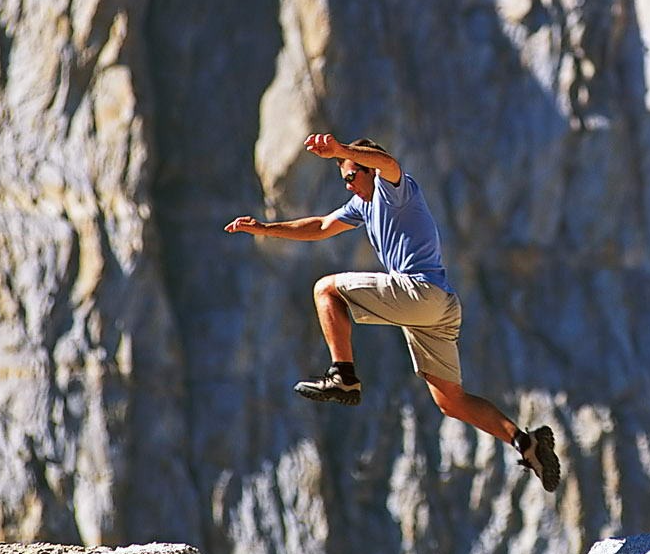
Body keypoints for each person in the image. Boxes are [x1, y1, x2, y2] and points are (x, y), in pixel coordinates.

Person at [225, 133, 561, 492]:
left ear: (369, 169)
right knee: (450, 401)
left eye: (353, 176)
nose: (350, 186)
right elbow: (321, 226)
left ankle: (344, 377)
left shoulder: (393, 188)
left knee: (325, 289)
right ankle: (526, 443)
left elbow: (388, 162)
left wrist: (339, 150)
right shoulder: (362, 206)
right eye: (345, 180)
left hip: (421, 292)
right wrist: (264, 229)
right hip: (437, 308)